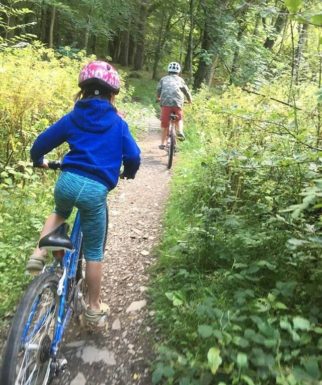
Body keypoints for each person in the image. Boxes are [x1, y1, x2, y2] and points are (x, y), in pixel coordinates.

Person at [27, 60, 141, 326]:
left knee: (59, 212)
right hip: (94, 191)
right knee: (93, 252)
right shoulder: (118, 123)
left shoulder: (74, 117)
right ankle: (92, 308)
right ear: (113, 95)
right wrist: (129, 171)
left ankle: (38, 254)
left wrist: (39, 160)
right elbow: (134, 155)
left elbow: (40, 143)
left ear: (83, 92)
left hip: (66, 182)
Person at [156, 62, 192, 150]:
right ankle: (180, 131)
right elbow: (186, 91)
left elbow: (158, 89)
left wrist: (158, 97)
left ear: (168, 70)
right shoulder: (180, 80)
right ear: (178, 71)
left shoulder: (163, 79)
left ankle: (163, 144)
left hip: (165, 103)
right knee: (179, 118)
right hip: (178, 102)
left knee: (165, 125)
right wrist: (190, 100)